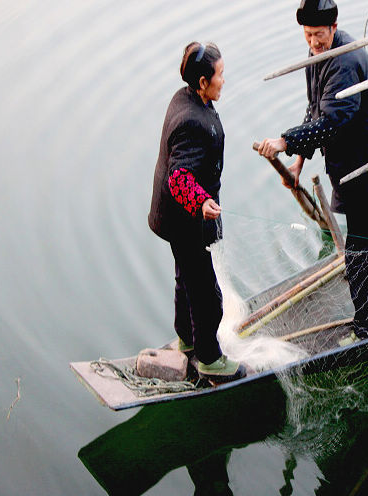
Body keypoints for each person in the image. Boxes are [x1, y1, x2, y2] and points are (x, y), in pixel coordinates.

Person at [257, 0, 368, 343]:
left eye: (319, 35)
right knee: (367, 252)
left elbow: (333, 122)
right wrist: (298, 161)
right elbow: (315, 109)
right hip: (353, 174)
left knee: (362, 255)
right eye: (307, 35)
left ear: (334, 28)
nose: (313, 42)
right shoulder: (317, 56)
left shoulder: (346, 62)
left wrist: (284, 141)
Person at [148, 42, 246, 382]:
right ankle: (208, 358)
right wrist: (201, 202)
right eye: (219, 75)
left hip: (173, 219)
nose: (224, 80)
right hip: (185, 220)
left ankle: (186, 339)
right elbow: (178, 177)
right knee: (206, 293)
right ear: (202, 82)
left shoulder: (186, 97)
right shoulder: (192, 121)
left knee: (184, 279)